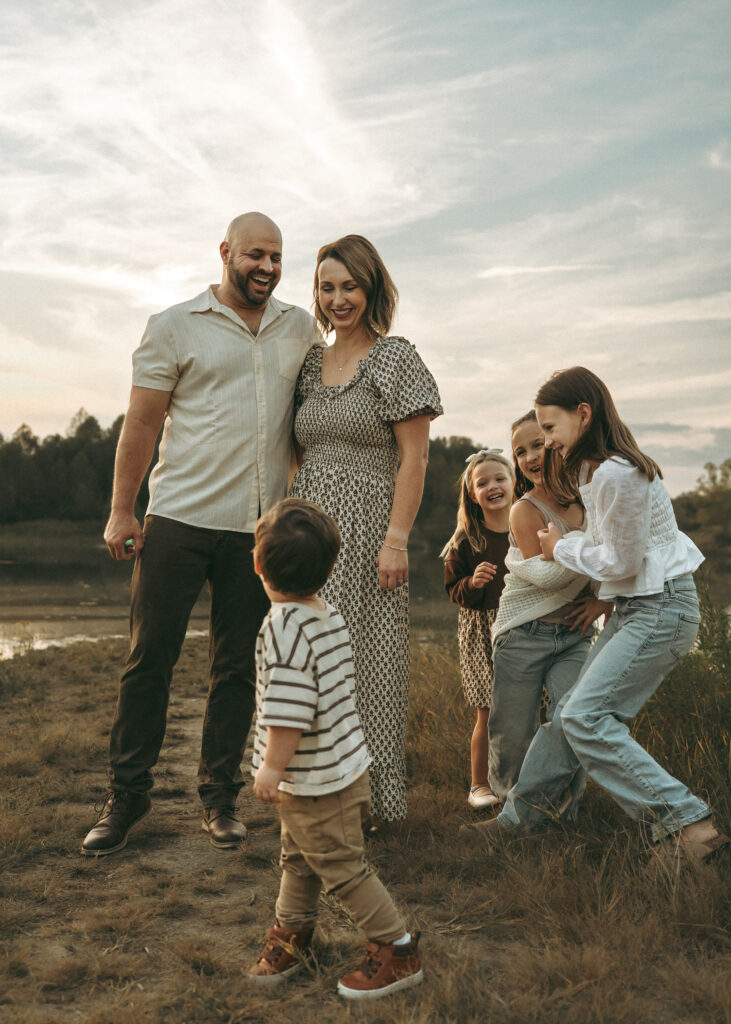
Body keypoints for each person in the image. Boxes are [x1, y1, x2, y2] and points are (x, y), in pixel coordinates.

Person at [81, 213, 321, 857]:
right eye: (254, 255)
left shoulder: (299, 326)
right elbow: (140, 426)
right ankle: (126, 797)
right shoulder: (173, 326)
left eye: (276, 256)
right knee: (148, 660)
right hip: (179, 521)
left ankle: (219, 798)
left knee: (238, 668)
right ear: (225, 254)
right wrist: (121, 511)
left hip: (258, 531)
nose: (266, 267)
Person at [480, 368, 729, 861]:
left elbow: (622, 561)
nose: (546, 442)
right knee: (569, 717)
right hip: (640, 606)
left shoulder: (618, 473)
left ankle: (686, 823)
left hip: (662, 610)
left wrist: (560, 548)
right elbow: (614, 551)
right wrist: (569, 549)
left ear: (584, 414)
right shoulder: (599, 471)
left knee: (587, 717)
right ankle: (521, 821)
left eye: (550, 429)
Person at [289, 235, 442, 825]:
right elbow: (298, 453)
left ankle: (371, 801)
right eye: (327, 287)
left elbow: (415, 459)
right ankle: (310, 791)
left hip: (370, 527)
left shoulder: (397, 357)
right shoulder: (308, 363)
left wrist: (396, 539)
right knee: (308, 657)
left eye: (349, 285)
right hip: (308, 530)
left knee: (368, 663)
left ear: (371, 286)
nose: (337, 298)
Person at [247, 498, 423, 1000]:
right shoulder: (327, 613)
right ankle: (294, 930)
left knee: (343, 869)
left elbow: (288, 714)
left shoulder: (283, 629)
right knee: (300, 856)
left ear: (258, 565)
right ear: (328, 569)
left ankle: (397, 948)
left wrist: (269, 770)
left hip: (313, 779)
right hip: (343, 768)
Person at [486, 411, 610, 802]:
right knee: (512, 730)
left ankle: (560, 807)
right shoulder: (524, 509)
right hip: (524, 632)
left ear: (559, 444)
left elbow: (615, 561)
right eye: (520, 451)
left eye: (538, 444)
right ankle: (510, 805)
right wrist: (592, 554)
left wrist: (601, 600)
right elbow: (548, 576)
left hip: (574, 634)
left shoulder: (590, 502)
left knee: (572, 719)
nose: (529, 457)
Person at [441, 448, 513, 810]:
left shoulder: (527, 527)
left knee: (536, 706)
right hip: (482, 632)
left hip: (523, 624)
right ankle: (479, 785)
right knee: (488, 709)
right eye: (482, 482)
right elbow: (453, 590)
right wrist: (473, 582)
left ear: (514, 483)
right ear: (472, 494)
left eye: (500, 478)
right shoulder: (466, 540)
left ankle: (524, 781)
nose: (493, 486)